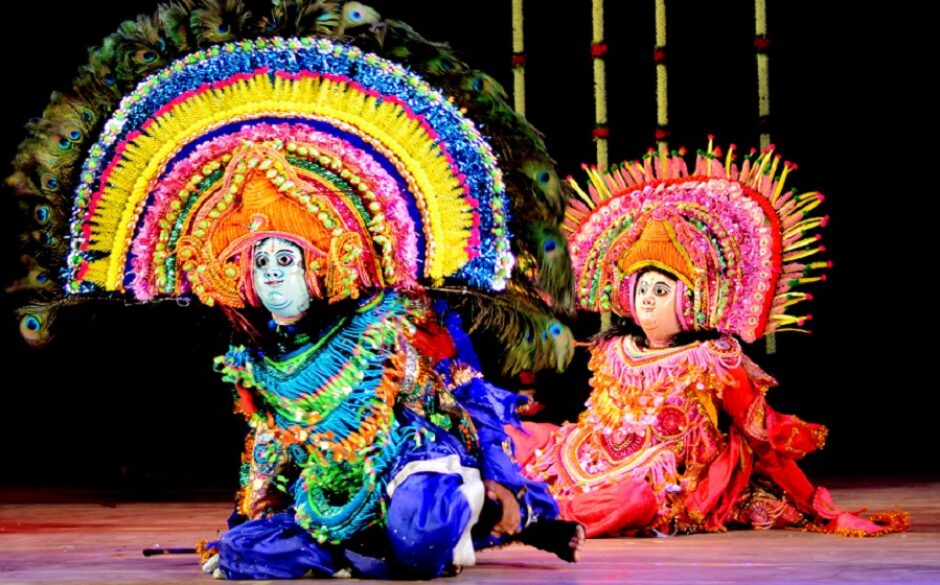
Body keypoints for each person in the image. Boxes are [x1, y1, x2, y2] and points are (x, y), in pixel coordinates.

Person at [5, 1, 583, 578]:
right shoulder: (256, 358)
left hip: (414, 470)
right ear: (241, 277)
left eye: (286, 258)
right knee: (243, 553)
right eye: (259, 263)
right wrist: (246, 526)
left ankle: (468, 512)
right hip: (328, 500)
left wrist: (504, 481)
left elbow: (467, 391)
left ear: (319, 267)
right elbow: (268, 453)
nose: (273, 272)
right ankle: (356, 550)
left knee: (419, 529)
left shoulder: (386, 319)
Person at [509, 145, 910, 538]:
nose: (647, 298)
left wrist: (820, 508)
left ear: (689, 300)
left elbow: (763, 437)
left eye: (661, 290)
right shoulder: (614, 351)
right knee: (516, 434)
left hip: (656, 484)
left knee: (634, 500)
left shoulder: (712, 359)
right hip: (586, 457)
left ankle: (531, 515)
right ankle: (508, 505)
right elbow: (592, 424)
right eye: (642, 288)